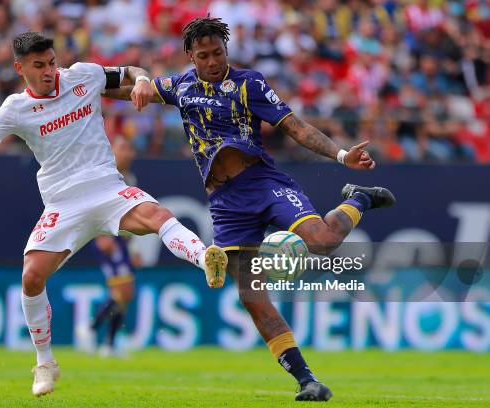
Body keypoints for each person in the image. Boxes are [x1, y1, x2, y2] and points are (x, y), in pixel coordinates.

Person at [104, 17, 396, 402]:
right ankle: (307, 380)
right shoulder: (179, 86)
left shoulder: (248, 83)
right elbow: (120, 89)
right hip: (226, 205)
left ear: (226, 50)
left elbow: (296, 127)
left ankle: (359, 197)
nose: (212, 61)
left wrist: (342, 155)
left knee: (323, 241)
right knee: (252, 296)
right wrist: (78, 85)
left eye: (218, 53)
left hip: (263, 184)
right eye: (204, 55)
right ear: (190, 56)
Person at [0, 31, 228, 398]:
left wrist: (146, 81)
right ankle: (44, 362)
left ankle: (206, 258)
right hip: (62, 204)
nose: (49, 71)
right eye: (39, 66)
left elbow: (132, 72)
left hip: (106, 187)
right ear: (20, 68)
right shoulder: (14, 108)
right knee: (32, 277)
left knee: (155, 214)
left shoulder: (83, 75)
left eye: (51, 61)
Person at [77, 136, 141, 357]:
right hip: (108, 238)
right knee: (123, 291)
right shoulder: (106, 172)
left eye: (129, 148)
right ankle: (91, 328)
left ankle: (109, 344)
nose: (128, 152)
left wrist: (131, 248)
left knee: (124, 294)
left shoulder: (129, 176)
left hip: (121, 240)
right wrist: (100, 236)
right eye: (122, 147)